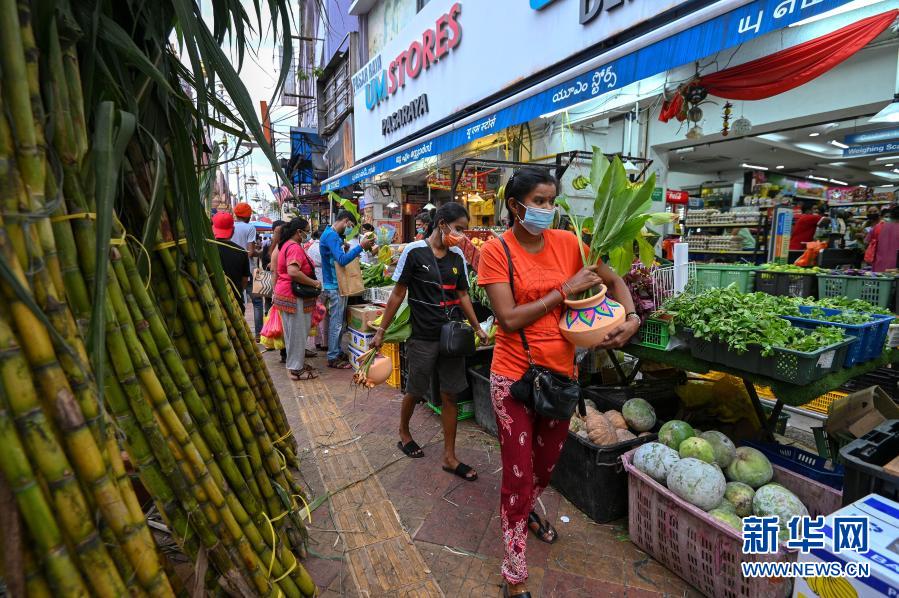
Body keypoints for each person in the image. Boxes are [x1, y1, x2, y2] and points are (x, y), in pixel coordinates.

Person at [478, 167, 640, 598]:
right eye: (540, 201)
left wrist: (632, 318)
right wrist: (565, 288)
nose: (548, 209)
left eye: (552, 201)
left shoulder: (569, 243)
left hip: (561, 378)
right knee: (518, 475)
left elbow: (613, 279)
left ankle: (526, 509)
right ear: (515, 206)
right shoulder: (496, 251)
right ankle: (514, 573)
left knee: (545, 468)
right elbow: (508, 318)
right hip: (513, 379)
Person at [373, 203, 488, 480]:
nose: (461, 235)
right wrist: (381, 330)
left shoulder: (457, 256)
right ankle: (404, 432)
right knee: (415, 389)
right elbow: (398, 294)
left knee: (450, 394)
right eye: (458, 228)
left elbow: (463, 295)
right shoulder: (414, 252)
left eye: (464, 230)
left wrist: (477, 327)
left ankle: (450, 456)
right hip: (423, 337)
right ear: (442, 224)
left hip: (451, 337)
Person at [320, 210, 375, 368]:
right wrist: (360, 247)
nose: (349, 229)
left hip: (336, 284)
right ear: (345, 221)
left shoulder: (331, 235)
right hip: (335, 285)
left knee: (339, 322)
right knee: (337, 323)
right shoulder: (331, 236)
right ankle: (333, 356)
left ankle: (336, 351)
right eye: (350, 225)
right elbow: (342, 260)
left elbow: (335, 257)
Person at [272, 218, 321, 380]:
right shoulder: (293, 247)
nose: (308, 233)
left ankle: (295, 364)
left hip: (286, 294)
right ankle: (296, 369)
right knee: (297, 334)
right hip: (294, 296)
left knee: (292, 334)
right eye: (306, 230)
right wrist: (314, 283)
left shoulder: (286, 244)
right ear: (299, 232)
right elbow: (293, 272)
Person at [231, 202, 263, 340]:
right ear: (248, 216)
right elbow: (250, 252)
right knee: (257, 302)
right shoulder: (250, 227)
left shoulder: (230, 226)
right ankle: (258, 334)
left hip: (232, 269)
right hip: (248, 269)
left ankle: (238, 333)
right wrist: (260, 253)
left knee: (235, 300)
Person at [212, 212, 251, 308]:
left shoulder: (206, 249)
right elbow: (245, 280)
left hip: (213, 301)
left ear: (213, 229)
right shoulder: (241, 251)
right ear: (233, 230)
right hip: (235, 301)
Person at [869, 206, 899, 272]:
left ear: (891, 215)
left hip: (879, 266)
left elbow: (867, 241)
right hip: (896, 268)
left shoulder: (879, 226)